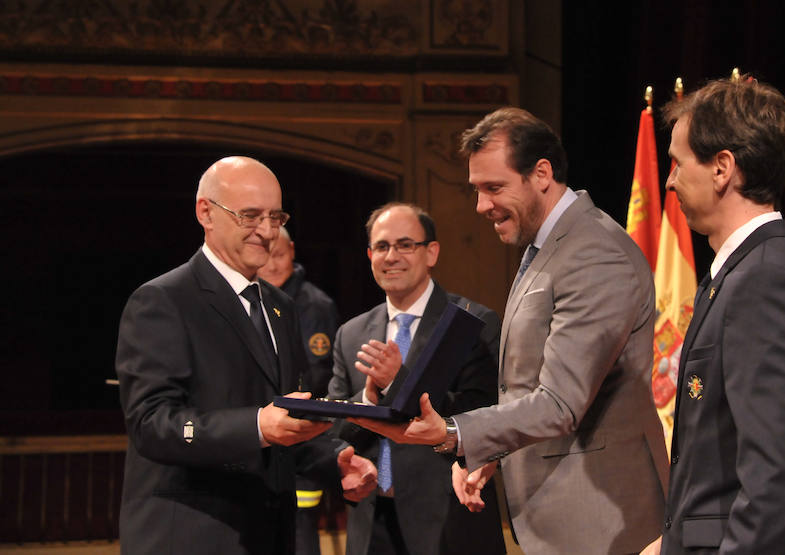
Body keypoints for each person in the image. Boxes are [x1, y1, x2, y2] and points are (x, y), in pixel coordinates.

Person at [351, 108, 669, 555]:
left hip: (602, 523)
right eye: (477, 190)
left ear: (541, 173)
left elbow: (560, 403)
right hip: (564, 520)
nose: (481, 205)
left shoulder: (594, 254)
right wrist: (490, 454)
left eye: (494, 188)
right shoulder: (550, 246)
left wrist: (451, 432)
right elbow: (527, 387)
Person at [115, 156, 376, 555]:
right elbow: (152, 424)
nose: (267, 231)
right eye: (250, 216)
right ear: (206, 212)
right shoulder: (162, 301)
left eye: (275, 217)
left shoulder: (280, 307)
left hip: (269, 533)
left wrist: (335, 459)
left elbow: (287, 420)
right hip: (189, 537)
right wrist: (256, 425)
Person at [639, 77, 785, 554]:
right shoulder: (741, 275)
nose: (669, 180)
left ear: (722, 169)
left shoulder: (768, 282)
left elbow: (775, 480)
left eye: (677, 162)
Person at [328, 202, 506, 555]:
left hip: (448, 522)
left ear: (431, 252)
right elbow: (335, 424)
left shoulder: (471, 322)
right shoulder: (351, 333)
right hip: (371, 523)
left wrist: (399, 383)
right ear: (369, 255)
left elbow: (483, 417)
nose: (391, 256)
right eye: (381, 246)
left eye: (405, 244)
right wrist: (369, 401)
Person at [258, 226, 341, 555]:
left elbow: (319, 375)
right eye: (266, 256)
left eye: (279, 255)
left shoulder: (314, 305)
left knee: (299, 534)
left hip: (301, 441)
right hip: (259, 438)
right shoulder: (249, 297)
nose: (273, 264)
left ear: (292, 250)